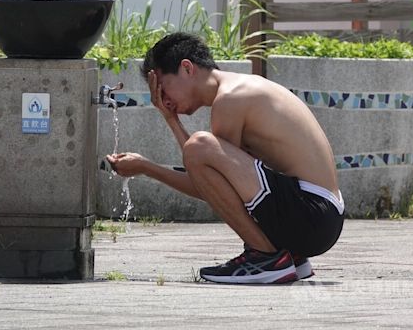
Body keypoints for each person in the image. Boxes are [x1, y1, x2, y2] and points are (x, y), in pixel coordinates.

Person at [107, 32, 344, 284]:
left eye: (162, 87)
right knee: (199, 147)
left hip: (312, 216)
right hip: (320, 218)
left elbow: (208, 184)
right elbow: (212, 182)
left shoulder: (231, 98)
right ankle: (289, 258)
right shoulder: (239, 88)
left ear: (187, 68)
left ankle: (266, 257)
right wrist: (170, 119)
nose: (162, 99)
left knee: (200, 144)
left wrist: (146, 166)